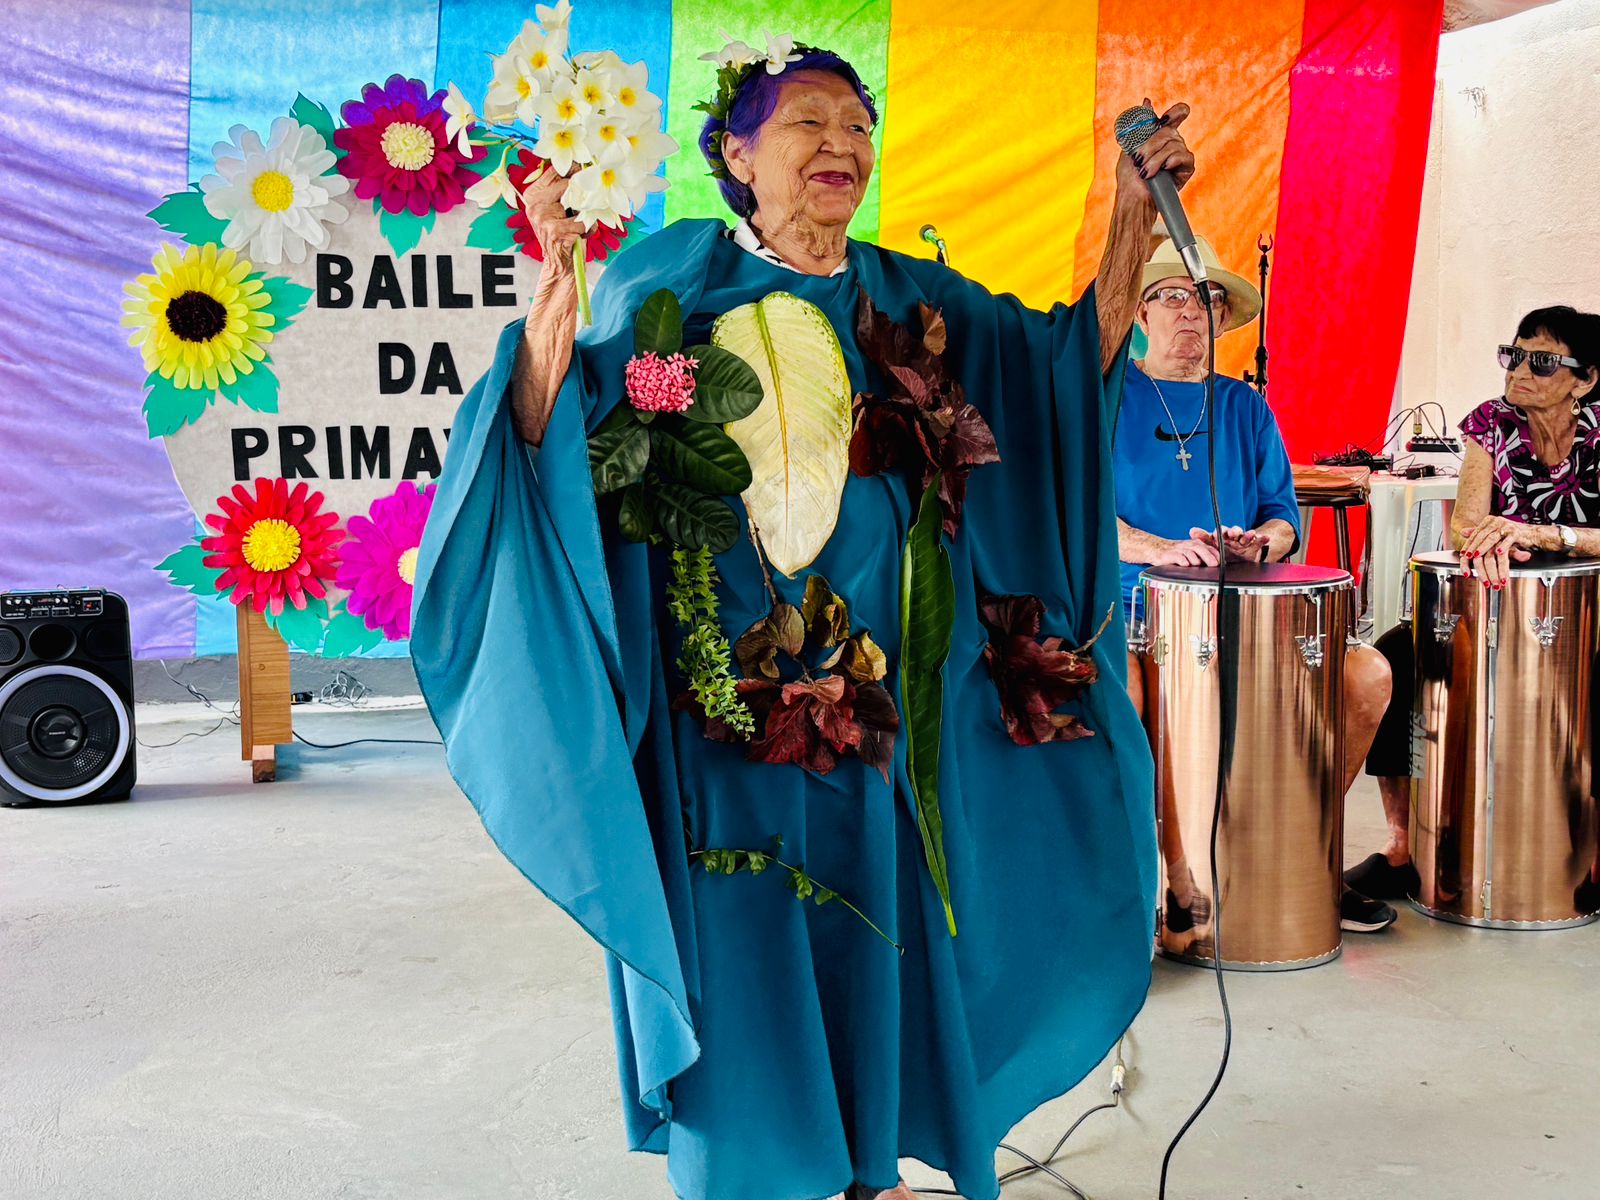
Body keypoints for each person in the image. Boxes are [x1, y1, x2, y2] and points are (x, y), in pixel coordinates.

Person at [412, 38, 1196, 1200]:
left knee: (880, 935)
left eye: (858, 125)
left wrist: (1134, 216)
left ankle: (867, 1169)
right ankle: (759, 1173)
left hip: (892, 716)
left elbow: (1056, 371)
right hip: (732, 717)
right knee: (754, 938)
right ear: (735, 152)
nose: (843, 145)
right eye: (807, 123)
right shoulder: (673, 294)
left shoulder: (907, 294)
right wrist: (553, 294)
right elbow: (562, 438)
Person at [1115, 235, 1398, 934]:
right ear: (1142, 315)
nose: (1191, 313)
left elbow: (1282, 517)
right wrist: (1163, 549)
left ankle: (1297, 857)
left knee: (1367, 675)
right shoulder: (1106, 397)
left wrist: (1260, 542)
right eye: (1171, 296)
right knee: (1131, 693)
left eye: (1206, 299)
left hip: (1247, 615)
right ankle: (1174, 881)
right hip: (1133, 609)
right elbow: (1082, 513)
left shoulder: (1245, 408)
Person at [1349, 306, 1600, 908]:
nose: (1520, 371)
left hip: (1587, 611)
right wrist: (1489, 538)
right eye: (1512, 355)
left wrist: (1543, 535)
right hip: (1494, 604)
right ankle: (1403, 846)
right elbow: (1465, 525)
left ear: (1585, 379)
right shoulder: (1491, 423)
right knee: (1394, 657)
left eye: (1542, 361)